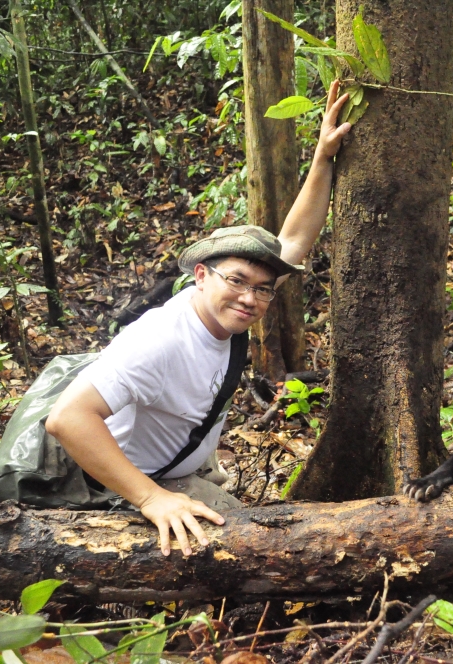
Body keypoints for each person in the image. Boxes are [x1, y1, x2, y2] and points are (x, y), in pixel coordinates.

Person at [45, 81, 351, 558]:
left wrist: (323, 157)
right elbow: (67, 419)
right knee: (253, 549)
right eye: (238, 281)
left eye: (263, 289)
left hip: (182, 462)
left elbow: (293, 242)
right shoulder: (161, 339)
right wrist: (151, 497)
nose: (251, 298)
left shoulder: (231, 304)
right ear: (202, 275)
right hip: (121, 484)